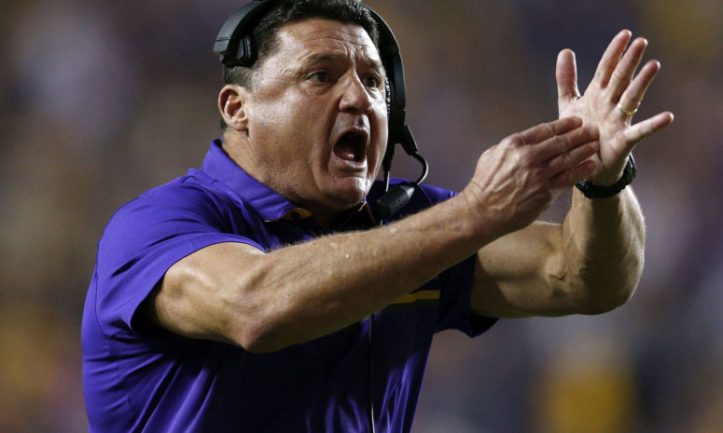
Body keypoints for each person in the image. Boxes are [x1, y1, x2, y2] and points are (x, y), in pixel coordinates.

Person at [81, 0, 674, 432]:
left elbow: (583, 278)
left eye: (373, 81)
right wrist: (473, 213)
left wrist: (603, 181)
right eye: (320, 75)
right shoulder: (157, 224)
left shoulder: (408, 221)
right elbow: (255, 307)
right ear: (239, 108)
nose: (360, 98)